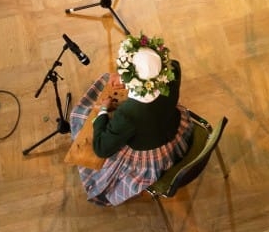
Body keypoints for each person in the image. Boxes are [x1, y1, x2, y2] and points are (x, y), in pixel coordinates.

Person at [69, 32, 194, 206]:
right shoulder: (173, 71)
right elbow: (169, 66)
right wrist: (127, 81)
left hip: (150, 153)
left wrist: (103, 109)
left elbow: (101, 149)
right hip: (170, 126)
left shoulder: (128, 114)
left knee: (80, 115)